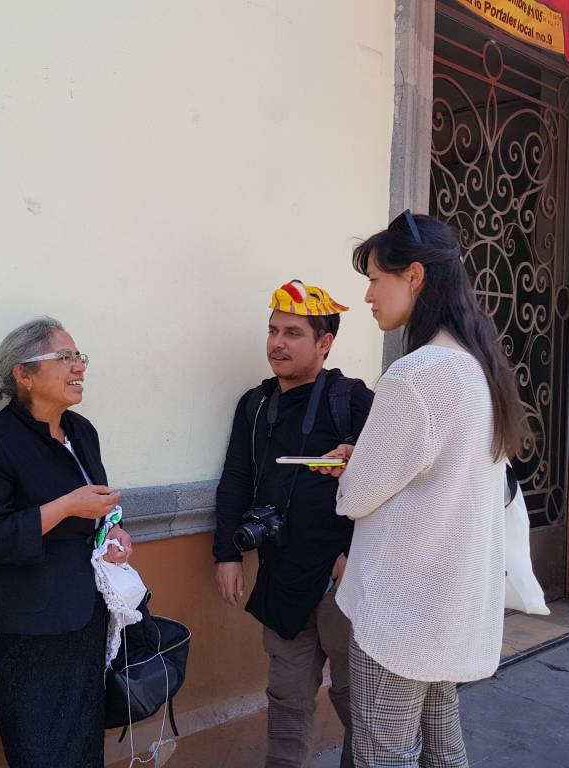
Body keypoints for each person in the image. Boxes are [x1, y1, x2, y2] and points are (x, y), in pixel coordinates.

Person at [315, 212, 529, 768]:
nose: (366, 296)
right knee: (443, 750)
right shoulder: (476, 367)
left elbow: (355, 498)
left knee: (384, 754)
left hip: (400, 610)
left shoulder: (417, 373)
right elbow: (441, 471)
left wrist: (354, 470)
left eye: (374, 279)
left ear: (414, 276)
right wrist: (370, 459)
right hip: (452, 606)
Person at [0, 316, 133, 768]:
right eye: (66, 358)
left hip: (85, 614)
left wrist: (112, 529)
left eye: (80, 358)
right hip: (26, 625)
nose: (79, 368)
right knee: (39, 749)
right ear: (24, 374)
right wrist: (67, 506)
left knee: (83, 743)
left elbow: (100, 504)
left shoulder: (82, 432)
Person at [214, 281, 374, 768]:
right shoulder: (255, 404)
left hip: (341, 585)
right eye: (272, 331)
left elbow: (389, 491)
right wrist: (226, 553)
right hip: (281, 579)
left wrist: (356, 555)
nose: (277, 343)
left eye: (292, 333)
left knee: (363, 711)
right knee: (285, 706)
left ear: (324, 343)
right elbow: (237, 478)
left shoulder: (354, 401)